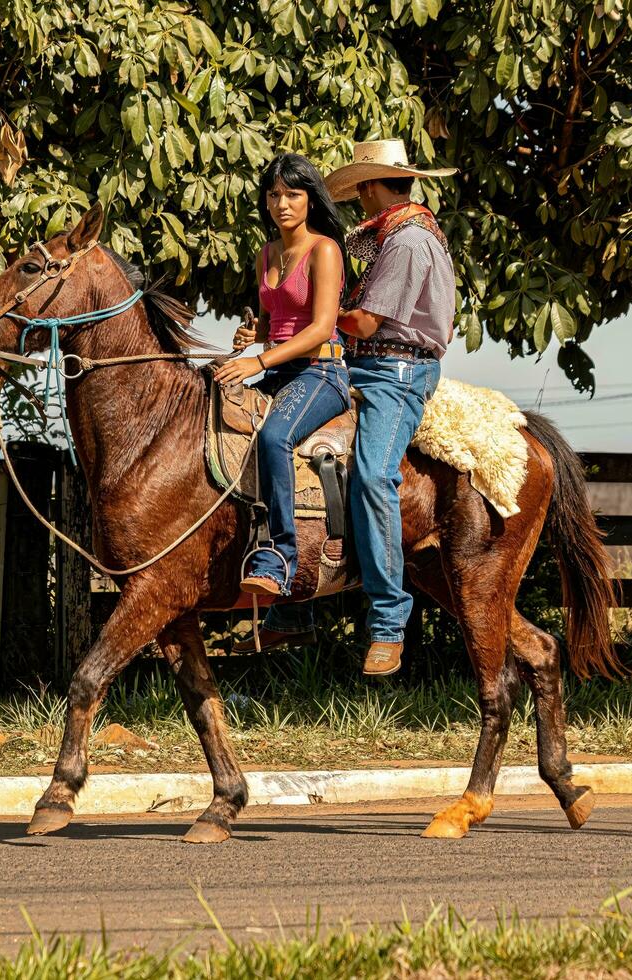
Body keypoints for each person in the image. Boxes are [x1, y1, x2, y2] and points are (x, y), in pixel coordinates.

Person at [232, 139, 458, 678]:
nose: (357, 199)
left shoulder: (406, 241)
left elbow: (365, 323)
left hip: (393, 372)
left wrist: (318, 322)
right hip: (358, 364)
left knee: (375, 477)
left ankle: (386, 621)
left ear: (374, 186)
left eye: (361, 188)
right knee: (302, 461)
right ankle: (298, 602)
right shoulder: (386, 236)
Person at [214, 153, 350, 598]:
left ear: (311, 199)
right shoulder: (266, 254)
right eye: (274, 195)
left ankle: (282, 557)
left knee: (274, 436)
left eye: (293, 194)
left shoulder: (324, 249)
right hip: (279, 367)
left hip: (321, 371)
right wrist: (253, 335)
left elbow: (317, 328)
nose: (282, 204)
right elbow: (278, 323)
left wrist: (258, 362)